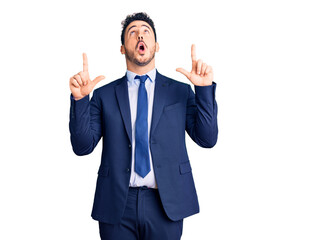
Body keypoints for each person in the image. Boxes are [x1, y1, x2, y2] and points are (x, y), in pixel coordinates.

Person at [69, 12, 218, 240]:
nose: (140, 35)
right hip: (116, 204)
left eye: (146, 31)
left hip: (166, 203)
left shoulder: (180, 92)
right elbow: (82, 147)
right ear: (122, 48)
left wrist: (204, 89)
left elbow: (207, 139)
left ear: (156, 46)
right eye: (133, 32)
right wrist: (80, 100)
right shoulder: (104, 95)